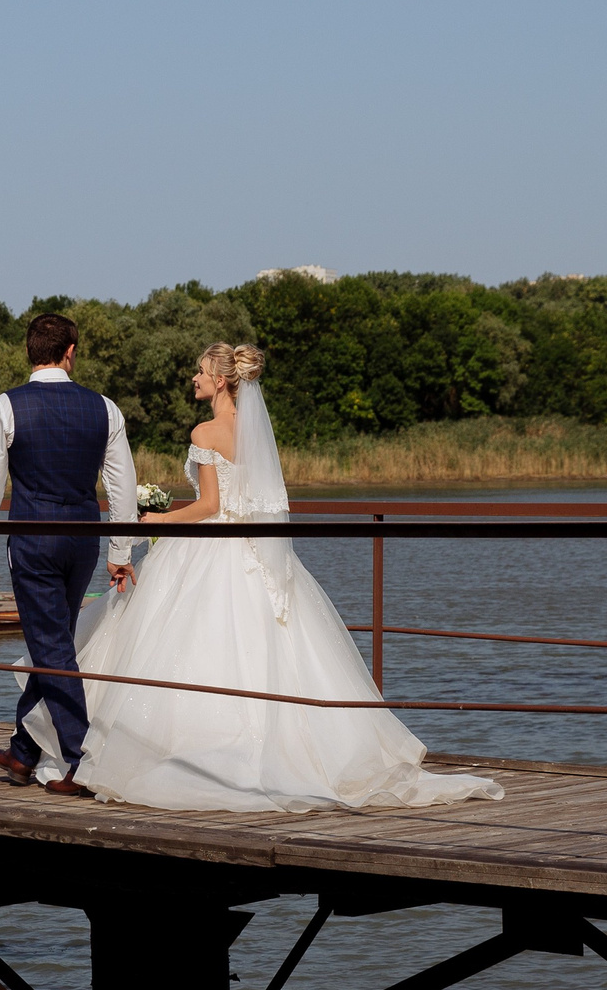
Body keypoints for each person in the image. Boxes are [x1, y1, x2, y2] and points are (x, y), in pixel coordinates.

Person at [63, 343, 502, 813]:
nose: (194, 377)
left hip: (209, 549)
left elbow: (211, 507)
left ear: (221, 380)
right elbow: (248, 502)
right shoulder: (253, 433)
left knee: (178, 640)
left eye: (201, 370)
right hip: (250, 550)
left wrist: (157, 522)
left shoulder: (206, 432)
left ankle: (174, 752)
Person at [0, 310, 140, 795]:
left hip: (34, 540)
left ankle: (83, 762)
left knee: (53, 644)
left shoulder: (6, 406)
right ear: (70, 352)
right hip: (82, 540)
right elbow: (122, 486)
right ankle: (22, 752)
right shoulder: (104, 408)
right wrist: (120, 549)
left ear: (30, 353)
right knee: (55, 640)